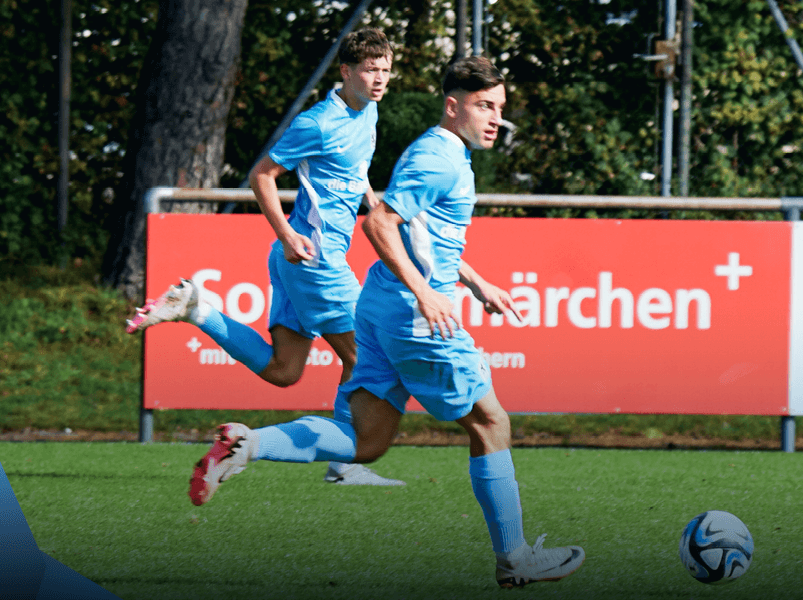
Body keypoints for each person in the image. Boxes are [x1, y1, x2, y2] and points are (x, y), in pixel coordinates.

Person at [188, 56, 585, 589]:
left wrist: (474, 281)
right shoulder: (441, 159)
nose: (495, 118)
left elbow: (420, 232)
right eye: (485, 106)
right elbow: (379, 222)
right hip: (412, 316)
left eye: (499, 108)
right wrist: (426, 293)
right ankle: (513, 558)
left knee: (365, 440)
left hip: (380, 307)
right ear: (453, 105)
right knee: (491, 424)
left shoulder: (440, 152)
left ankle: (249, 443)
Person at [126, 27, 404, 487]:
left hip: (299, 260)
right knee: (367, 358)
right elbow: (262, 176)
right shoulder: (317, 122)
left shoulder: (369, 111)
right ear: (346, 72)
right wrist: (288, 234)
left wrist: (372, 206)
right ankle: (343, 463)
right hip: (315, 261)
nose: (379, 80)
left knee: (283, 370)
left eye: (386, 70)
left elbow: (355, 171)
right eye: (371, 70)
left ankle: (199, 308)